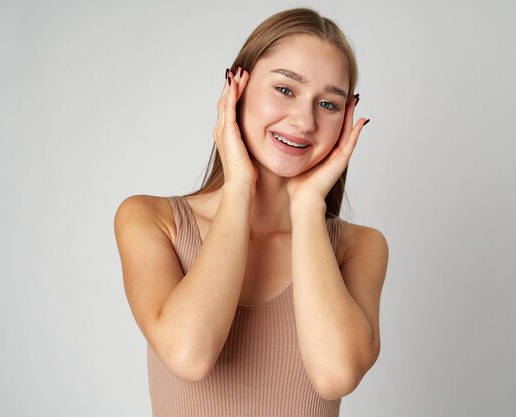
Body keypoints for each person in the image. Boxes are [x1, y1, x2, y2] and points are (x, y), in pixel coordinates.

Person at [114, 8, 389, 416]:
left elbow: (335, 375)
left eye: (328, 104)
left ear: (347, 118)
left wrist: (309, 206)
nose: (303, 120)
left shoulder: (360, 247)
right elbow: (190, 355)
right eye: (285, 89)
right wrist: (239, 186)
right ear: (236, 90)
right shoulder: (150, 221)